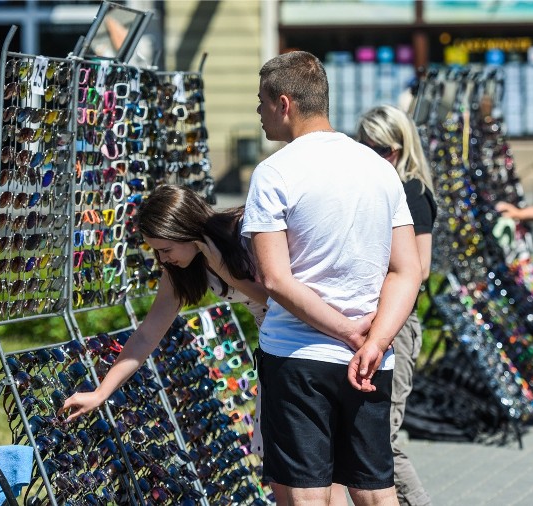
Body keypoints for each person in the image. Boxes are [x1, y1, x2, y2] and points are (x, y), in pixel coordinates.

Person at [242, 51, 421, 505]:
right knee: (376, 492)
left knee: (307, 496)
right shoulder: (379, 168)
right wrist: (374, 341)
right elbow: (407, 270)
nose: (258, 114)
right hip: (370, 360)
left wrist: (347, 332)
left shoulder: (274, 172)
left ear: (284, 103)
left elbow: (274, 278)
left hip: (297, 355)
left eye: (261, 102)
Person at [59, 185, 270, 424]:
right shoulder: (180, 269)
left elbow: (283, 300)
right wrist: (101, 393)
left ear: (187, 230)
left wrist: (230, 277)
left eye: (166, 249)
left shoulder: (245, 233)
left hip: (302, 334)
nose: (162, 259)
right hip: (272, 344)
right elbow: (146, 336)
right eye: (156, 252)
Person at [356, 104, 435, 506]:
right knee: (368, 436)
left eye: (382, 148)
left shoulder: (412, 192)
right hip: (374, 324)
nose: (374, 155)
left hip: (397, 326)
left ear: (402, 148)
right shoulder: (374, 186)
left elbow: (419, 269)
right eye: (364, 146)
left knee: (382, 438)